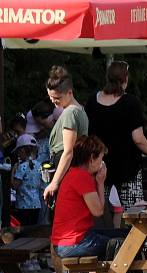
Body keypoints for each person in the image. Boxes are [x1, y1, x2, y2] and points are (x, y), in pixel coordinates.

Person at [50, 135, 125, 273]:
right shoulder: (82, 177)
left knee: (124, 235)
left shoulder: (72, 173)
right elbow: (98, 211)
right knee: (125, 243)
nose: (101, 163)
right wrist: (100, 182)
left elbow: (97, 209)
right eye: (100, 159)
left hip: (66, 242)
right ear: (92, 158)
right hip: (74, 244)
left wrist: (98, 182)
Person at [85, 61, 147, 210]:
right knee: (134, 214)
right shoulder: (131, 102)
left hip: (100, 165)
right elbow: (138, 138)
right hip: (127, 168)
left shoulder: (92, 101)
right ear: (125, 79)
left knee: (101, 212)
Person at [42, 66, 90, 204]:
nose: (53, 100)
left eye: (57, 97)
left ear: (69, 92)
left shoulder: (70, 113)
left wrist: (55, 182)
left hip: (66, 170)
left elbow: (68, 151)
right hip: (72, 169)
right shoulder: (80, 110)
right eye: (50, 96)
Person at [10, 134, 44, 227]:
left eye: (18, 151)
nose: (18, 154)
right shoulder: (39, 165)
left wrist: (13, 170)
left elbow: (14, 185)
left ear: (22, 150)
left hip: (23, 207)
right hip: (36, 205)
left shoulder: (22, 166)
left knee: (24, 232)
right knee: (32, 231)